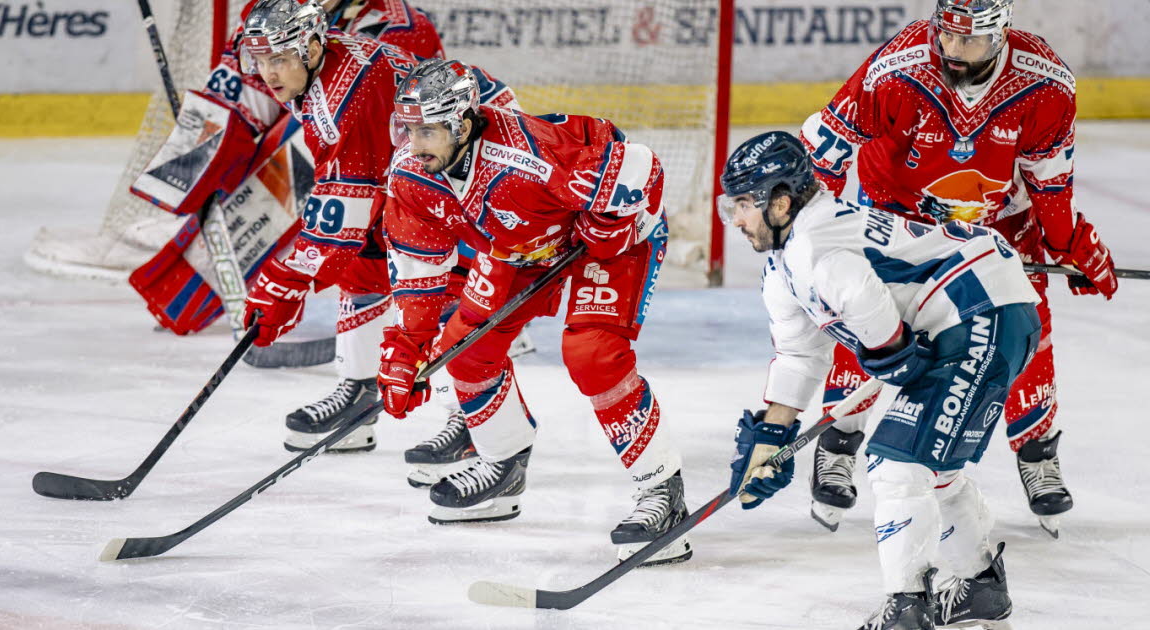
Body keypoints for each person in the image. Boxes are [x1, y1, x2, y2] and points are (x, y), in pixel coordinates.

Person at [798, 0, 1118, 536]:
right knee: (868, 316)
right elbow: (824, 152)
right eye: (946, 36)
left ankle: (1036, 451)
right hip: (894, 214)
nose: (953, 51)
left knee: (1027, 321)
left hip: (996, 222)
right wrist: (811, 237)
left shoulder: (1045, 84)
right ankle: (838, 440)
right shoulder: (896, 71)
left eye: (969, 41)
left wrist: (1067, 243)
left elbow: (1050, 183)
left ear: (1001, 35)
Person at [376, 58, 691, 565]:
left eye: (427, 130)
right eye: (408, 129)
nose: (414, 144)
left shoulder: (531, 155)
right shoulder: (414, 176)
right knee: (464, 349)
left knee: (591, 354)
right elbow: (416, 272)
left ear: (460, 123)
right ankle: (502, 466)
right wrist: (406, 348)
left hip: (608, 242)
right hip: (520, 246)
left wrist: (610, 226)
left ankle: (662, 494)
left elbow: (641, 166)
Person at [724, 131, 1037, 629]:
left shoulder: (812, 247)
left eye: (743, 204)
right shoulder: (785, 264)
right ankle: (979, 587)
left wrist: (890, 352)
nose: (735, 220)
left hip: (980, 311)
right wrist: (772, 435)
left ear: (780, 203)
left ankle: (905, 610)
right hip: (976, 312)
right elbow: (800, 352)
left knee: (897, 464)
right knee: (928, 465)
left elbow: (861, 292)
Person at [231, 0, 515, 467]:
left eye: (278, 59)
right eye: (259, 61)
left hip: (474, 173)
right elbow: (348, 203)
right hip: (414, 169)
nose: (268, 74)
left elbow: (344, 210)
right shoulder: (319, 72)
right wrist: (295, 276)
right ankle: (359, 391)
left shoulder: (349, 93)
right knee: (364, 259)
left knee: (444, 287)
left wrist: (286, 280)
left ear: (311, 46)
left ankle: (467, 417)